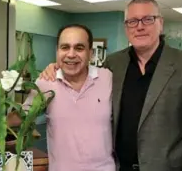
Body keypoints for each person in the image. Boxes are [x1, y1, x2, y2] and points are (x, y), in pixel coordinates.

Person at [39, 0, 182, 171]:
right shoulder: (113, 65)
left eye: (148, 19)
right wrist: (56, 67)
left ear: (161, 23)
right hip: (119, 167)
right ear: (126, 28)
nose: (140, 26)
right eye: (132, 21)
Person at [24, 24, 115, 171]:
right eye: (65, 47)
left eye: (79, 48)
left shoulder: (107, 78)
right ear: (57, 51)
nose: (71, 54)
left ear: (90, 53)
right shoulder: (45, 83)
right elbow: (22, 119)